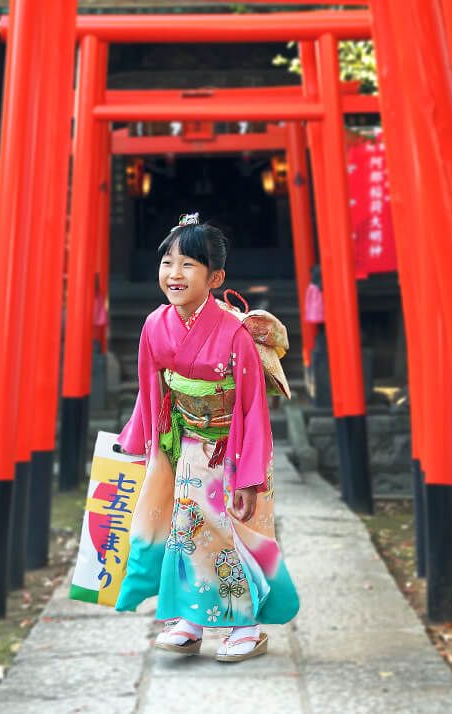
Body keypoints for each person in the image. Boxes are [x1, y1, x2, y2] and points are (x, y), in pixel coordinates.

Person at [114, 213, 299, 663]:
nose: (174, 274)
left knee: (235, 534)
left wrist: (251, 474)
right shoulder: (155, 325)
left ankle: (246, 626)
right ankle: (191, 619)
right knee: (187, 532)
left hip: (235, 448)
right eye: (167, 263)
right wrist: (139, 443)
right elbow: (150, 389)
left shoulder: (236, 332)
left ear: (215, 277)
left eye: (188, 265)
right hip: (191, 446)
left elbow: (254, 407)